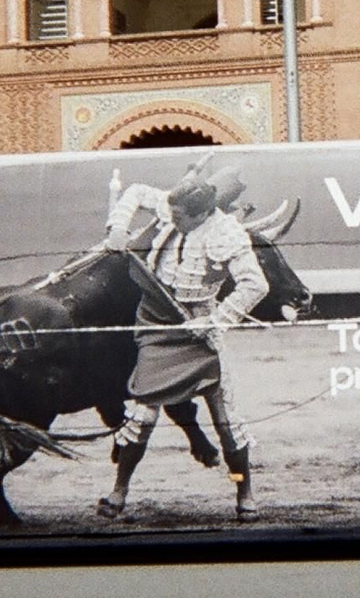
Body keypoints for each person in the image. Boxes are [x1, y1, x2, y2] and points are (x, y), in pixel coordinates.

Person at [99, 163, 267, 521]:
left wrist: (216, 319)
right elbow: (135, 192)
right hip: (156, 320)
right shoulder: (175, 207)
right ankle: (119, 489)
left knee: (226, 419)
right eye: (170, 214)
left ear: (204, 213)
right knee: (141, 412)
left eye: (180, 218)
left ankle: (245, 490)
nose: (171, 222)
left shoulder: (227, 233)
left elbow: (256, 284)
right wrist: (117, 228)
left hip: (198, 324)